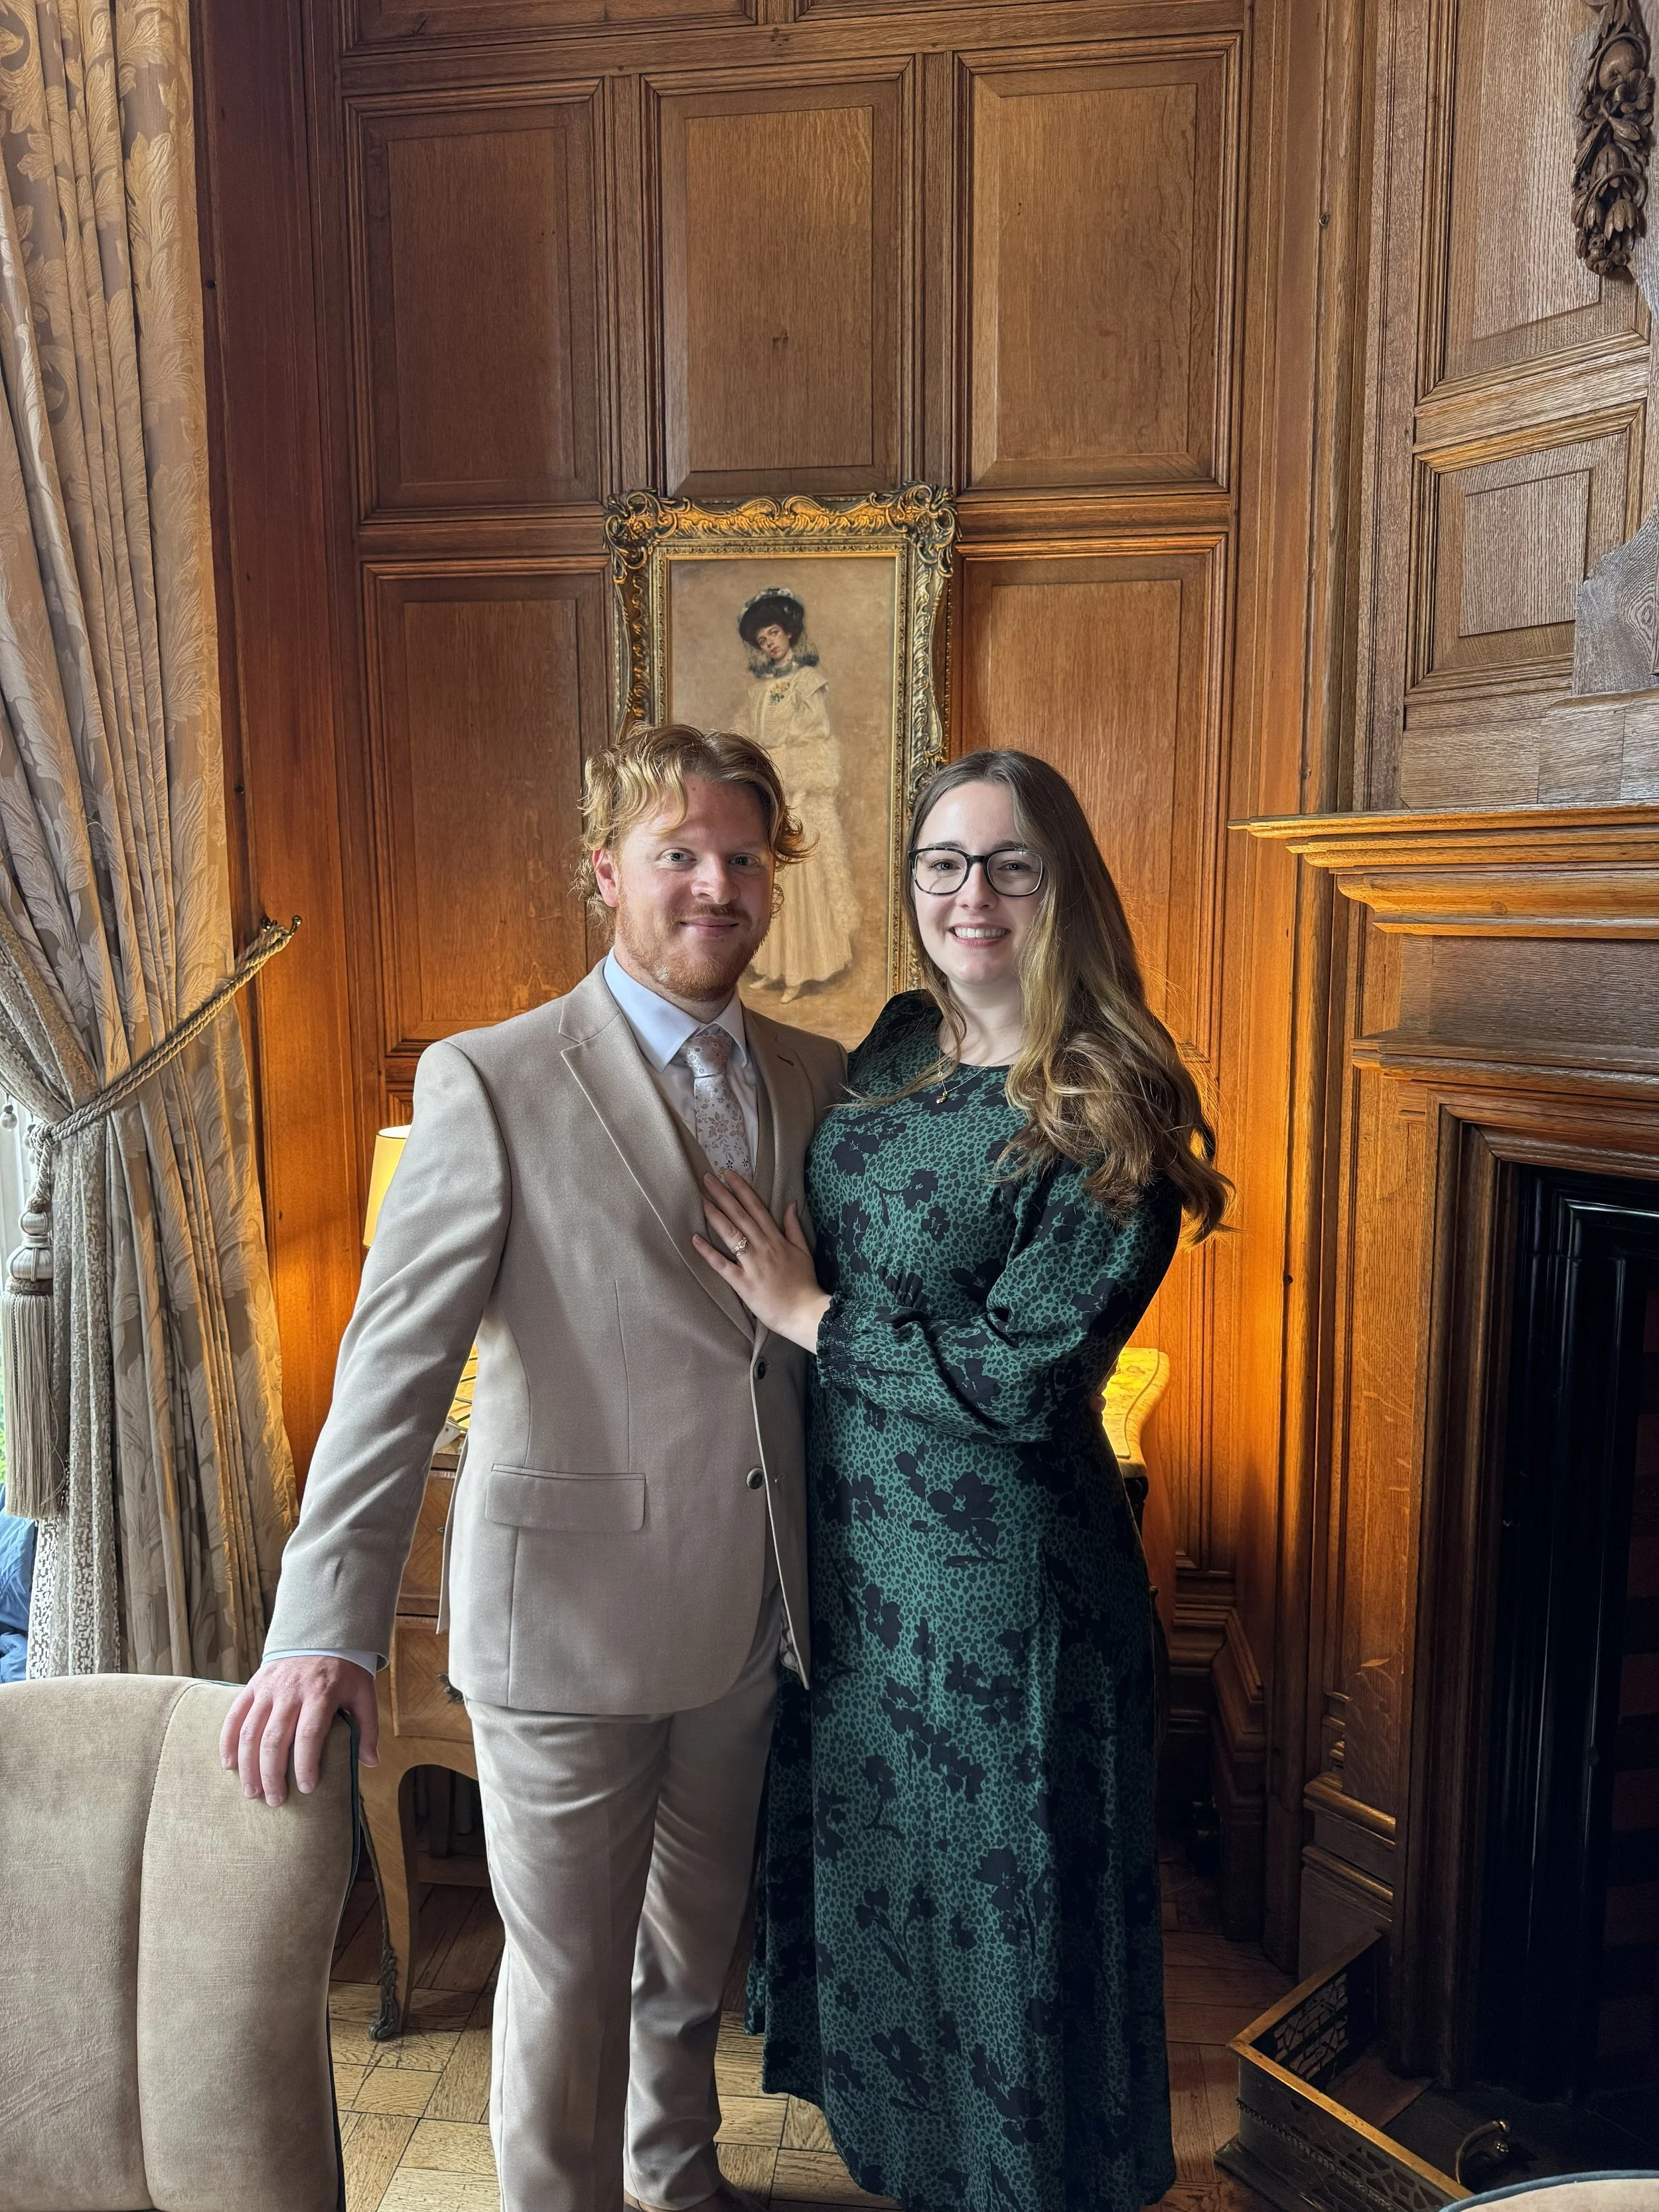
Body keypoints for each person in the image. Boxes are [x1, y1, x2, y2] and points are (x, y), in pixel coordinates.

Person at [222, 724, 847, 2212]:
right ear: (605, 871)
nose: (713, 882)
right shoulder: (488, 1077)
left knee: (690, 1971)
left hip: (749, 1623)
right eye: (676, 852)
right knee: (563, 1989)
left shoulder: (819, 1076)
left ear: (773, 881)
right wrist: (323, 1621)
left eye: (741, 856)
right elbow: (392, 1365)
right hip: (559, 1624)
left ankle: (677, 2186)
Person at [692, 749, 1231, 2212]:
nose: (969, 894)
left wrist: (808, 1316)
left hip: (1013, 1610)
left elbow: (1018, 1377)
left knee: (1012, 1954)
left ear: (1062, 888)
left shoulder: (1113, 1095)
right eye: (942, 861)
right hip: (863, 1593)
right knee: (905, 1941)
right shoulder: (888, 1046)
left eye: (1008, 865)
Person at [732, 587, 859, 997]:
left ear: (788, 633)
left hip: (801, 793)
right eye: (762, 639)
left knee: (803, 880)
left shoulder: (808, 683)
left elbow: (817, 740)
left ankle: (802, 971)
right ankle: (776, 965)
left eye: (774, 633)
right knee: (774, 878)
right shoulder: (759, 692)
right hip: (771, 788)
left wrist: (800, 790)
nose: (770, 643)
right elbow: (747, 739)